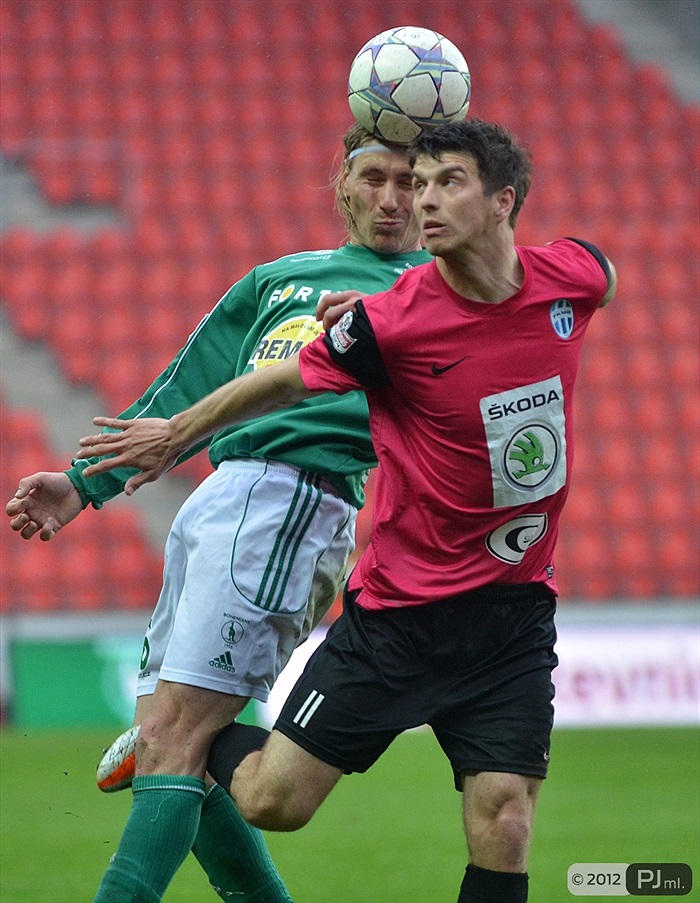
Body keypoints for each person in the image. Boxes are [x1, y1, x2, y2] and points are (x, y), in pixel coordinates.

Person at [72, 118, 617, 903]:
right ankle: (189, 735)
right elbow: (283, 380)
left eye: (445, 182)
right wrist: (181, 433)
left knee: (505, 819)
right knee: (272, 801)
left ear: (504, 201)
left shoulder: (574, 276)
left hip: (513, 617)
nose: (424, 200)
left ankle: (176, 735)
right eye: (416, 183)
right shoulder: (391, 319)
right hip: (400, 615)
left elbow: (602, 271)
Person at [5, 122, 431, 903]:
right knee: (173, 754)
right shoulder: (277, 279)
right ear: (342, 180)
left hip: (298, 499)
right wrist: (81, 483)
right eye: (376, 178)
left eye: (411, 182)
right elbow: (186, 387)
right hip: (217, 498)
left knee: (173, 743)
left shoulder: (431, 292)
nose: (393, 198)